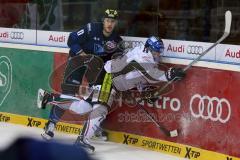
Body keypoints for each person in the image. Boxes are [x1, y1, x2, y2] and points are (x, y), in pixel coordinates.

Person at [37, 36, 185, 152]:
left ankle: (50, 98)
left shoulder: (144, 56)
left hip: (106, 75)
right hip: (109, 78)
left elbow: (139, 77)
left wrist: (144, 91)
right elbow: (152, 74)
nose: (158, 54)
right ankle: (83, 139)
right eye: (156, 51)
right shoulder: (143, 57)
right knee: (100, 110)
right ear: (148, 49)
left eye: (159, 52)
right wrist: (169, 74)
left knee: (84, 107)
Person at [39, 8, 123, 150]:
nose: (109, 24)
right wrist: (83, 54)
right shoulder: (91, 29)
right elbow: (71, 39)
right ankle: (51, 124)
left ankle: (93, 127)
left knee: (96, 98)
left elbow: (118, 56)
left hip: (95, 68)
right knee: (68, 94)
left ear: (116, 23)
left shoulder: (116, 40)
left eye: (112, 21)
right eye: (107, 20)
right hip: (78, 61)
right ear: (103, 21)